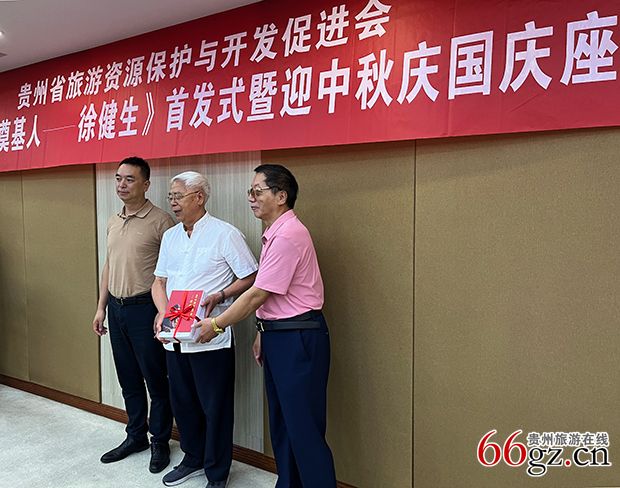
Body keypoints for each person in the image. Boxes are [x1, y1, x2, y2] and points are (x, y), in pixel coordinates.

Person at [194, 164, 337, 488]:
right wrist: (262, 331)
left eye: (257, 191)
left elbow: (257, 294)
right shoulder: (275, 233)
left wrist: (216, 324)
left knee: (304, 429)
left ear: (281, 196)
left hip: (298, 338)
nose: (251, 198)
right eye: (251, 191)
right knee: (283, 424)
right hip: (281, 336)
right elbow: (272, 296)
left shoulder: (288, 235)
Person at [152, 171, 258, 488]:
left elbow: (251, 277)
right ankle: (193, 458)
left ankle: (217, 471)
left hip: (210, 337)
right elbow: (159, 282)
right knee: (183, 404)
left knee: (215, 408)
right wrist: (162, 312)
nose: (173, 202)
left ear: (199, 197)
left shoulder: (225, 234)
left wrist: (222, 294)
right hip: (174, 336)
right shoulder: (171, 236)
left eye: (178, 196)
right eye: (170, 197)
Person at [92, 156, 174, 473]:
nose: (122, 185)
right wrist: (101, 307)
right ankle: (136, 435)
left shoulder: (161, 221)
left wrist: (164, 311)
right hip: (116, 308)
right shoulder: (113, 220)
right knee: (128, 379)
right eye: (118, 178)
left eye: (129, 179)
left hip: (145, 310)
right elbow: (109, 266)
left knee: (156, 381)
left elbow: (171, 274)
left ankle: (160, 441)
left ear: (146, 184)